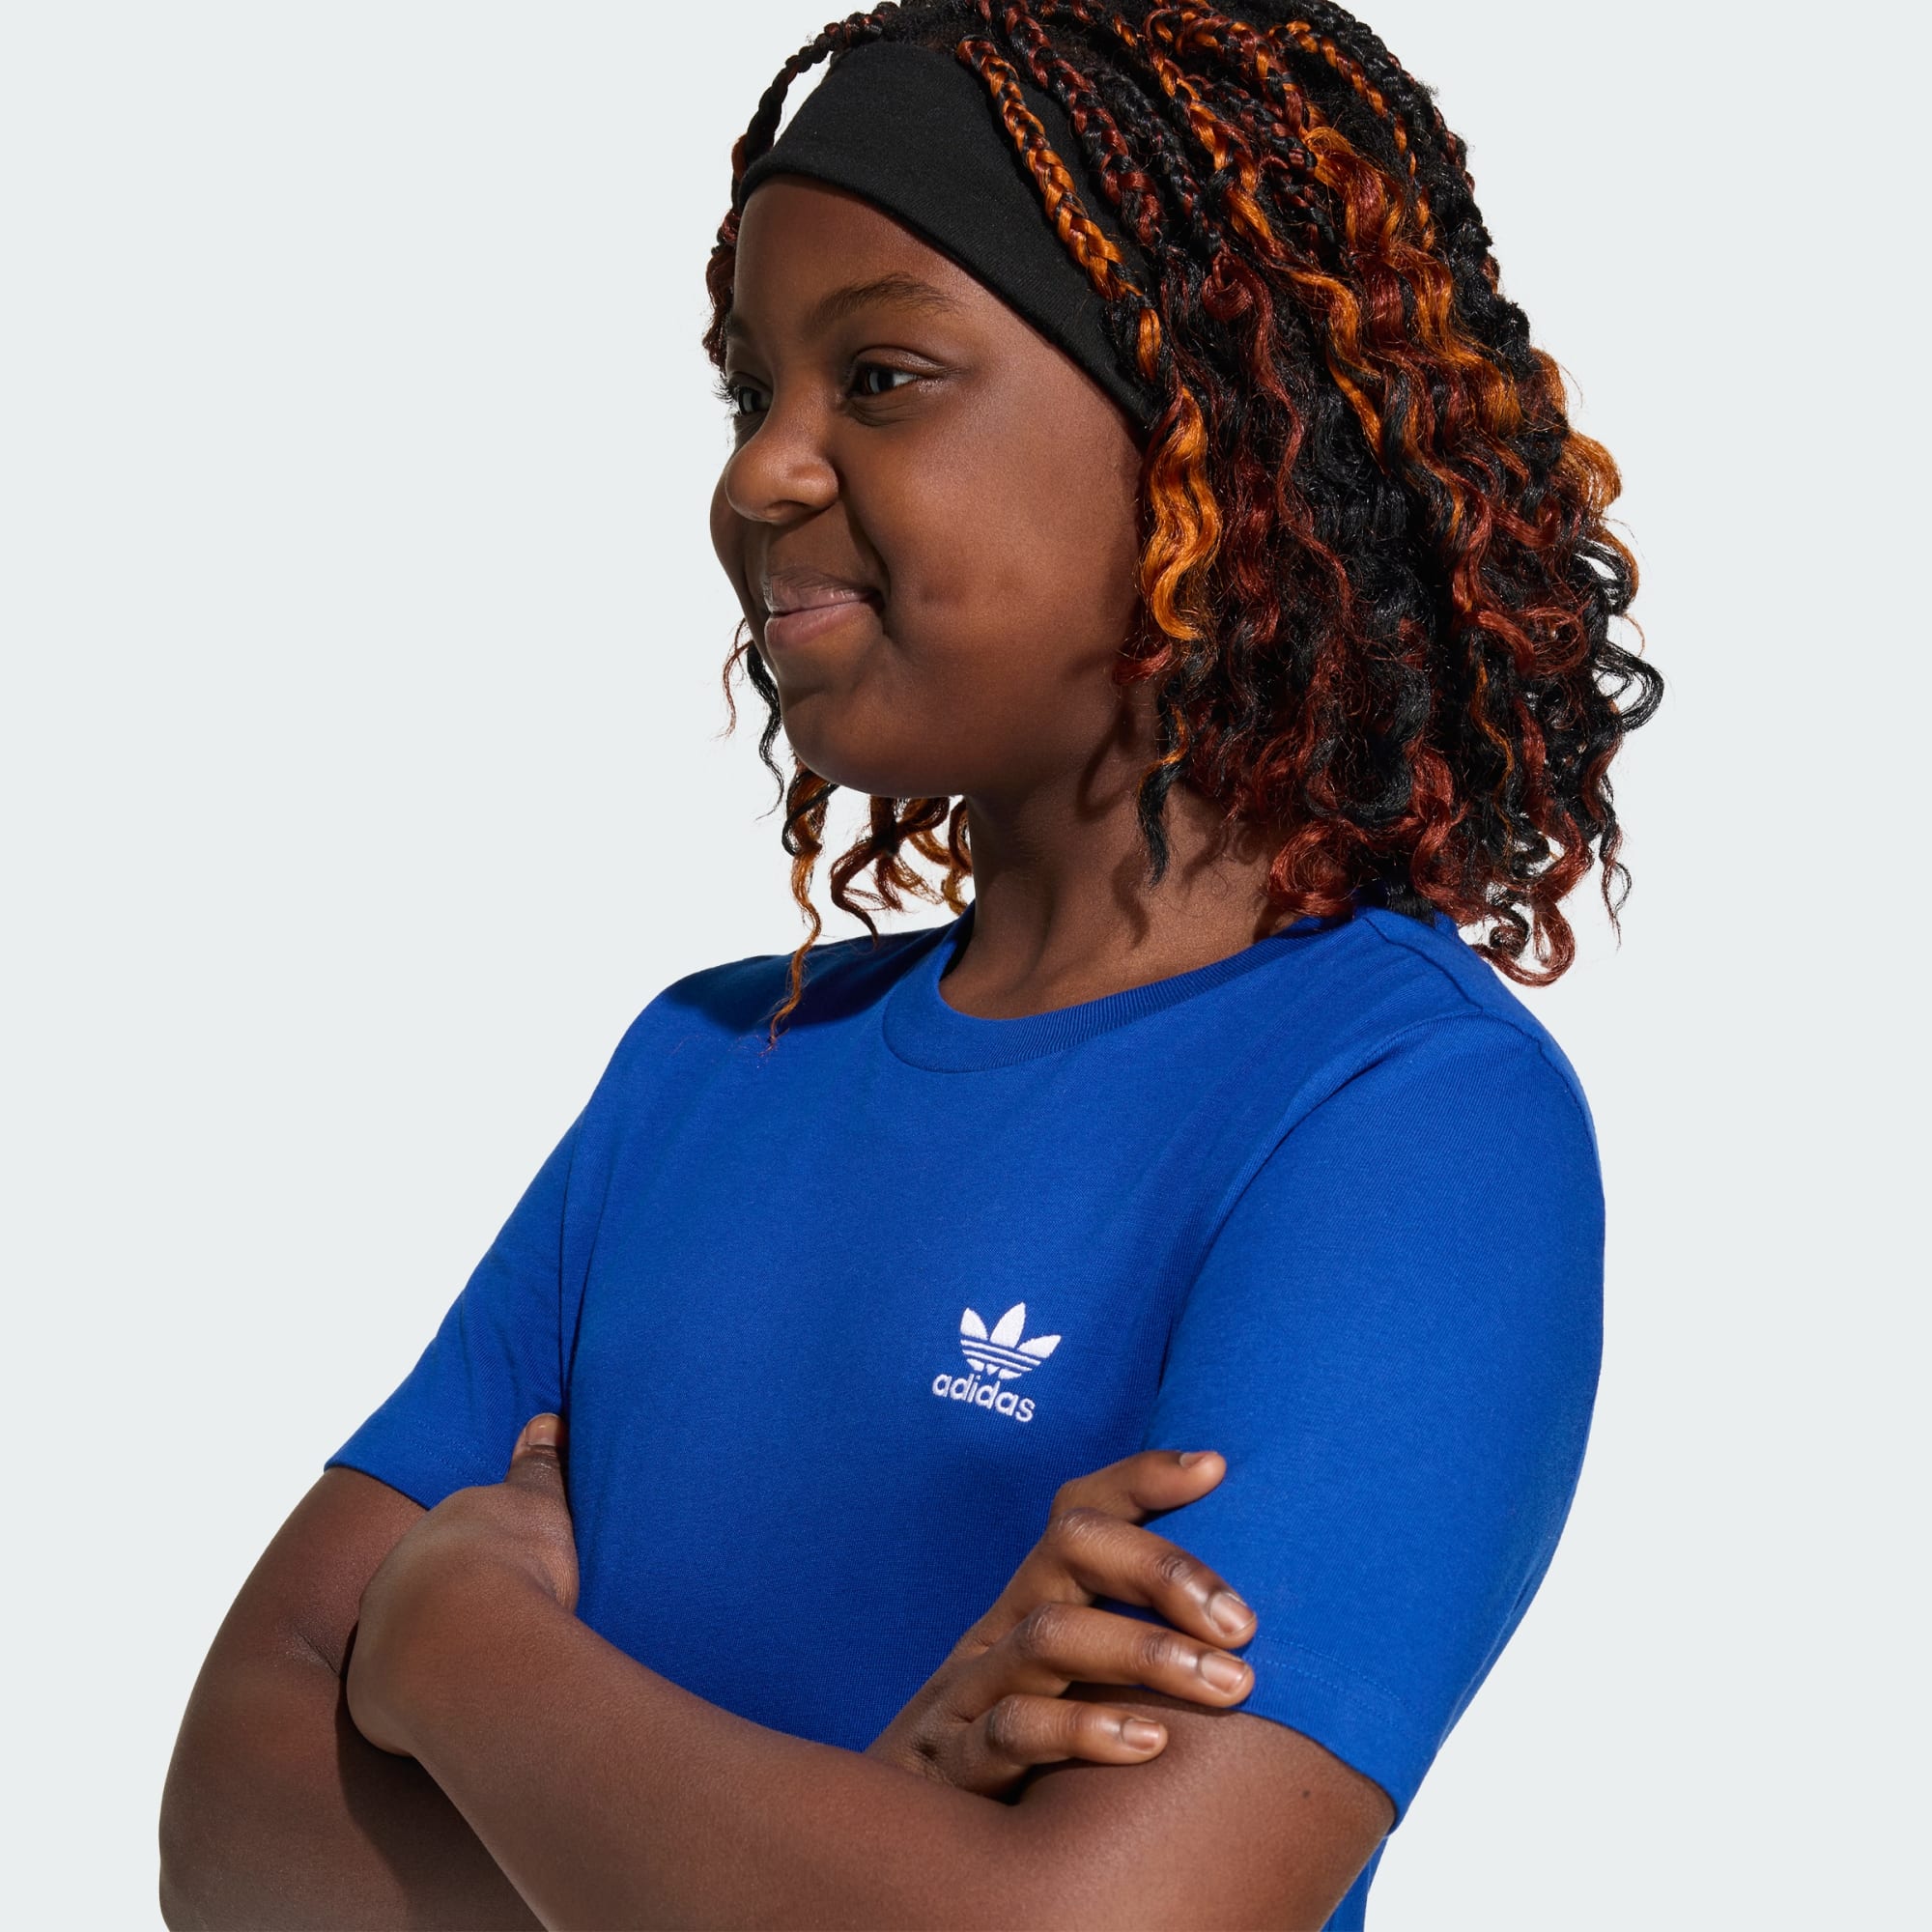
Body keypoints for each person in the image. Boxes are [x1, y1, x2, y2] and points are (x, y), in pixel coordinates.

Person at [157, 3, 1662, 1927]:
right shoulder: (707, 1069)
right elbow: (234, 1836)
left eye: (878, 377)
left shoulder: (1401, 1121)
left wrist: (456, 1644)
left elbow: (1098, 1925)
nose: (760, 475)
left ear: (1207, 439)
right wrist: (883, 1830)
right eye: (747, 390)